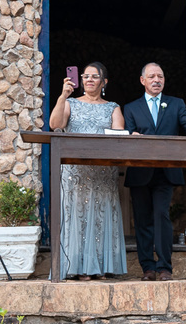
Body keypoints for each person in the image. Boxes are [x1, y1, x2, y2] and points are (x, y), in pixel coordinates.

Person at [123, 62, 186, 281]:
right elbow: (126, 134)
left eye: (160, 76)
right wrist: (131, 135)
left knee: (162, 216)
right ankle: (147, 268)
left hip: (166, 170)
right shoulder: (131, 108)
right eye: (152, 76)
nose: (156, 80)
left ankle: (164, 268)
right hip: (140, 171)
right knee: (142, 220)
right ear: (142, 80)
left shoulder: (175, 104)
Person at [47, 62, 128, 281]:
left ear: (104, 82)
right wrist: (62, 96)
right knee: (77, 217)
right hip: (74, 173)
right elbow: (55, 125)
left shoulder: (113, 107)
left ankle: (100, 267)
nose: (89, 79)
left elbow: (118, 136)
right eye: (85, 76)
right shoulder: (70, 103)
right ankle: (76, 267)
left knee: (100, 217)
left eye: (94, 76)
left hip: (103, 172)